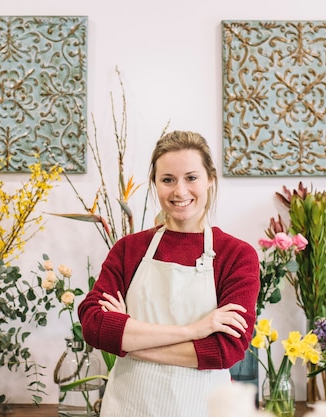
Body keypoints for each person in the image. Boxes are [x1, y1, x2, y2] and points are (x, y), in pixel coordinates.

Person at [77, 130, 260, 417]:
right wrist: (194, 331)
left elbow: (226, 348)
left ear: (210, 179)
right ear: (155, 184)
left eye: (191, 177)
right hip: (129, 407)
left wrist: (129, 340)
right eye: (167, 180)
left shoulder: (236, 255)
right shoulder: (129, 249)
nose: (180, 191)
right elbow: (94, 325)